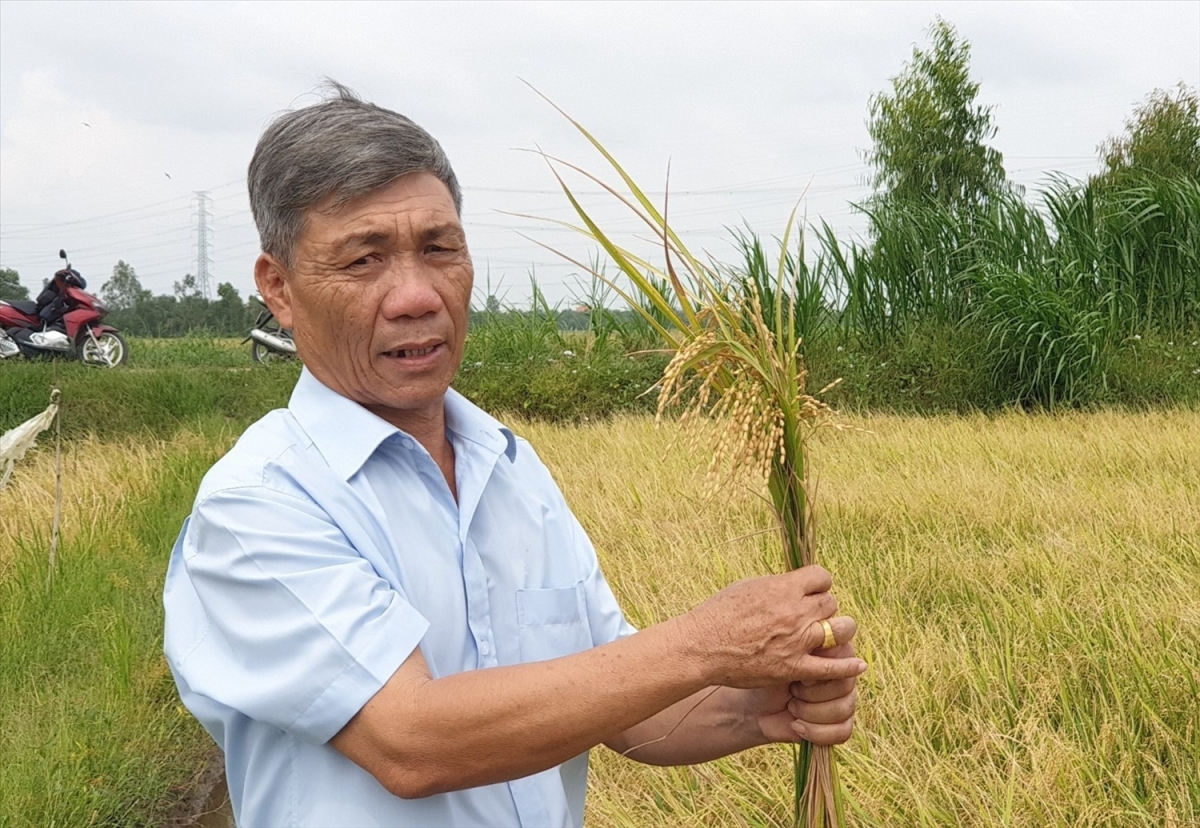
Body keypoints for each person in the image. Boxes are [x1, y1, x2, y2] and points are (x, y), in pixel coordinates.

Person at [162, 83, 866, 828]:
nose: (416, 296)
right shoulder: (260, 503)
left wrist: (759, 706)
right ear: (279, 289)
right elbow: (411, 740)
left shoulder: (510, 468)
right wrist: (705, 646)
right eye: (364, 259)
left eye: (440, 249)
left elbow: (619, 707)